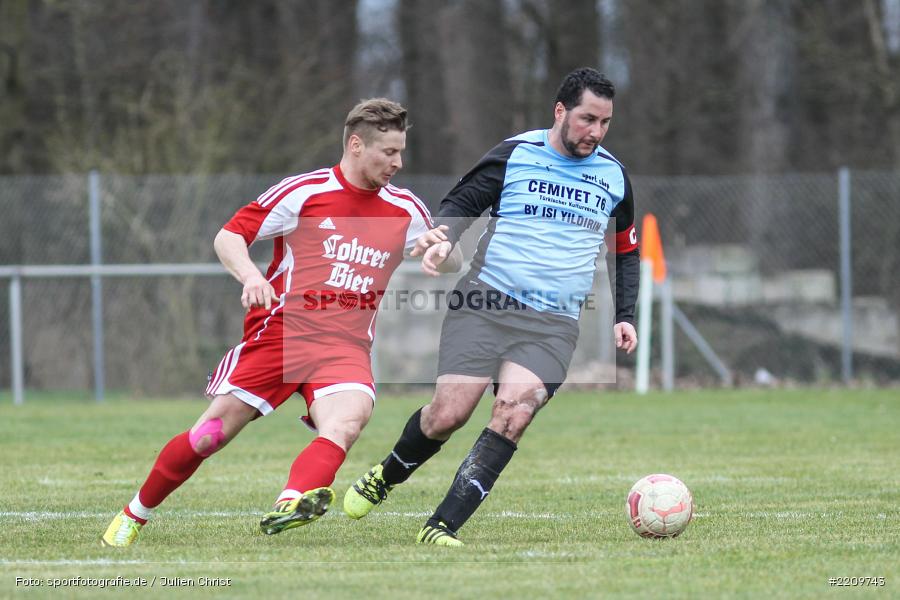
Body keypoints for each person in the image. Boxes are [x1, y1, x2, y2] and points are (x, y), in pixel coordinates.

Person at [101, 98, 462, 547]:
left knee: (349, 420)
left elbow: (451, 262)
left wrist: (440, 249)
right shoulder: (304, 192)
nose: (398, 162)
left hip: (345, 346)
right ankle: (133, 515)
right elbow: (229, 236)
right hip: (283, 335)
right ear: (355, 144)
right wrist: (251, 275)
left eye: (401, 151)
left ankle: (290, 503)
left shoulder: (405, 208)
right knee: (209, 437)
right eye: (388, 152)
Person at [343, 68, 640, 546]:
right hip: (485, 302)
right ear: (560, 111)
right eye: (588, 119)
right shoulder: (517, 154)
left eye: (605, 123)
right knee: (448, 415)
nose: (596, 132)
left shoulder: (613, 176)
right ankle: (386, 474)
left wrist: (625, 313)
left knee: (513, 413)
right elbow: (465, 201)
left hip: (554, 324)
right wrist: (442, 237)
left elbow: (625, 250)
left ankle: (441, 526)